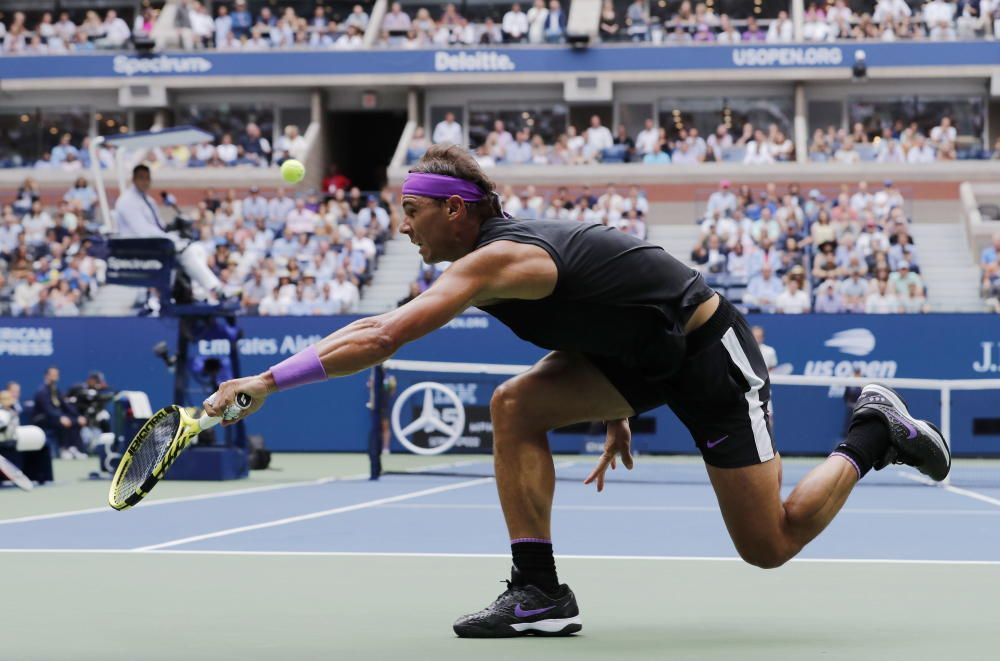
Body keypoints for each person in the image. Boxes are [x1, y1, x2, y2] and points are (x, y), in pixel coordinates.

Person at [205, 144, 951, 638]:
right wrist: (611, 403)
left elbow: (381, 337)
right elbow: (591, 306)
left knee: (771, 542)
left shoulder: (496, 261)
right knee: (514, 405)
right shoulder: (485, 260)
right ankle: (539, 592)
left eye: (413, 209)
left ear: (455, 210)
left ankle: (871, 431)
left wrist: (268, 379)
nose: (403, 225)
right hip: (636, 356)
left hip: (707, 354)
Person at [114, 164, 236, 303]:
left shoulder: (148, 200)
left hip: (155, 243)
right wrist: (170, 238)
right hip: (139, 248)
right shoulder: (127, 201)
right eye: (141, 178)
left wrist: (174, 228)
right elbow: (142, 231)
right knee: (187, 252)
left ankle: (203, 291)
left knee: (197, 248)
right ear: (134, 179)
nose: (145, 181)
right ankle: (214, 289)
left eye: (147, 178)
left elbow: (159, 226)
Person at [32, 366, 87, 459]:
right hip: (43, 418)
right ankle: (64, 449)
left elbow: (65, 405)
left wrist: (78, 416)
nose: (55, 376)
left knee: (76, 421)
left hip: (56, 417)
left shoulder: (56, 390)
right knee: (63, 422)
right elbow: (48, 409)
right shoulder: (42, 391)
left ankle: (73, 448)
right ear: (47, 376)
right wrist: (60, 417)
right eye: (52, 374)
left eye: (56, 374)